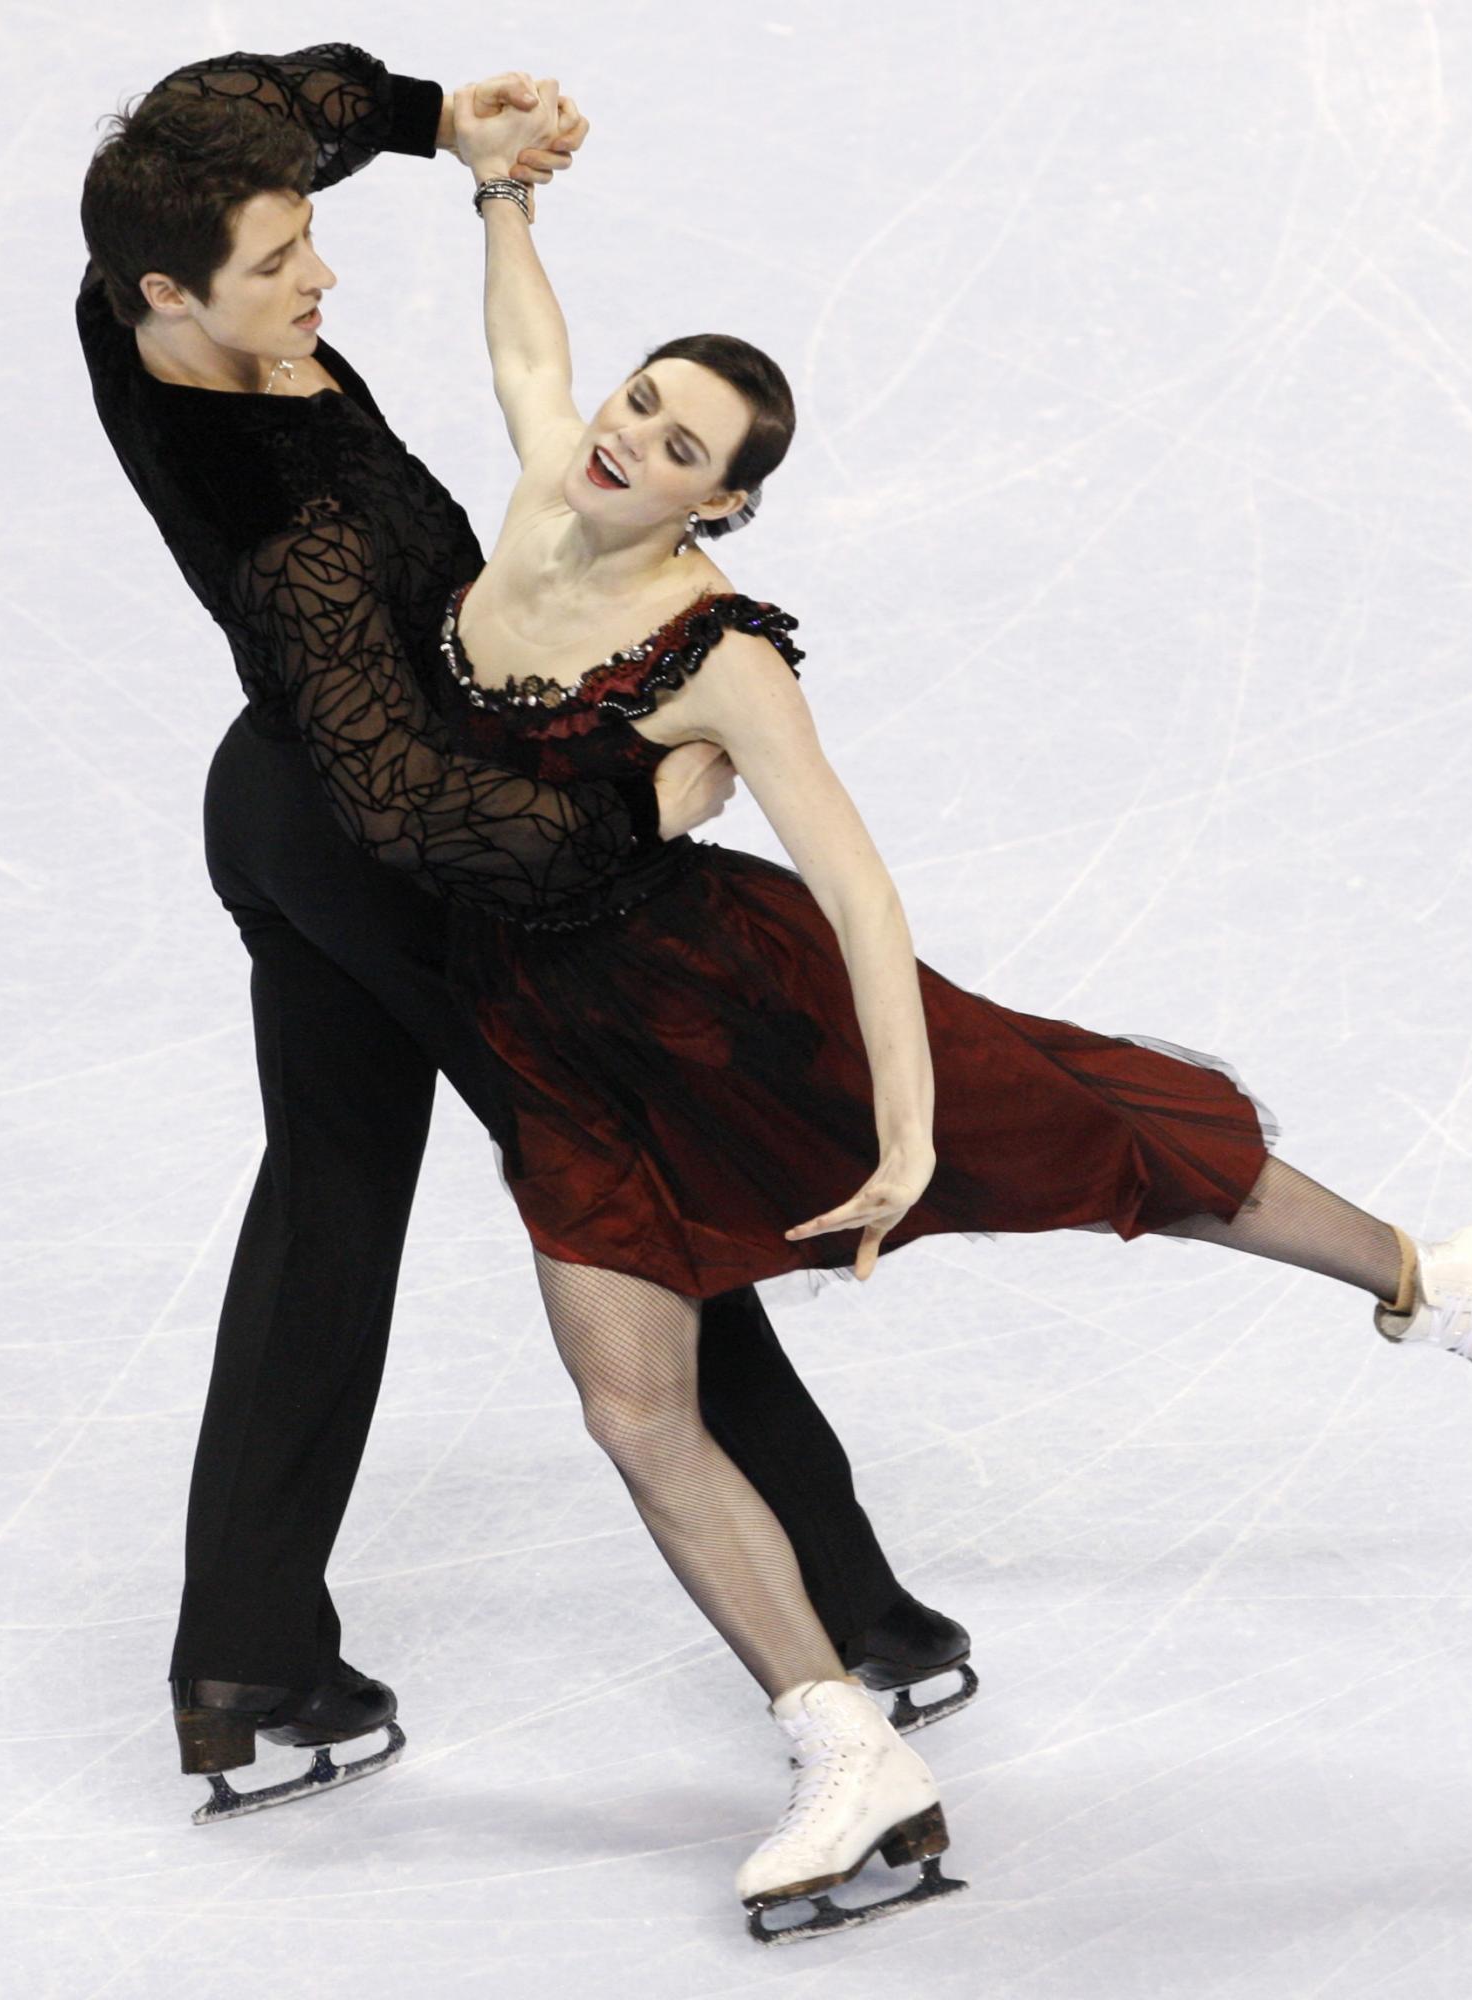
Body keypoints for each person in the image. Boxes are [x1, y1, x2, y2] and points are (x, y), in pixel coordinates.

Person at [416, 81, 1472, 1943]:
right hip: (554, 1049)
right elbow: (528, 347)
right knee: (630, 1408)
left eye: (678, 446)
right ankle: (848, 1749)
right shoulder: (533, 491)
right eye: (637, 405)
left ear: (723, 501)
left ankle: (1449, 1273)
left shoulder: (722, 653)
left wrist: (908, 1127)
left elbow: (860, 883)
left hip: (754, 1005)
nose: (627, 438)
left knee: (1082, 1135)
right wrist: (502, 198)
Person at [75, 43, 974, 1830]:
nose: (321, 272)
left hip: (272, 815)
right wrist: (639, 810)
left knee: (328, 1200)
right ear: (172, 292)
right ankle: (850, 1610)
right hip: (387, 862)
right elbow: (420, 805)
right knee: (628, 1188)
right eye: (280, 263)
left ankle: (245, 1665)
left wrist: (427, 125)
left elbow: (251, 96)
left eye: (307, 233)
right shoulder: (295, 531)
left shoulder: (130, 285)